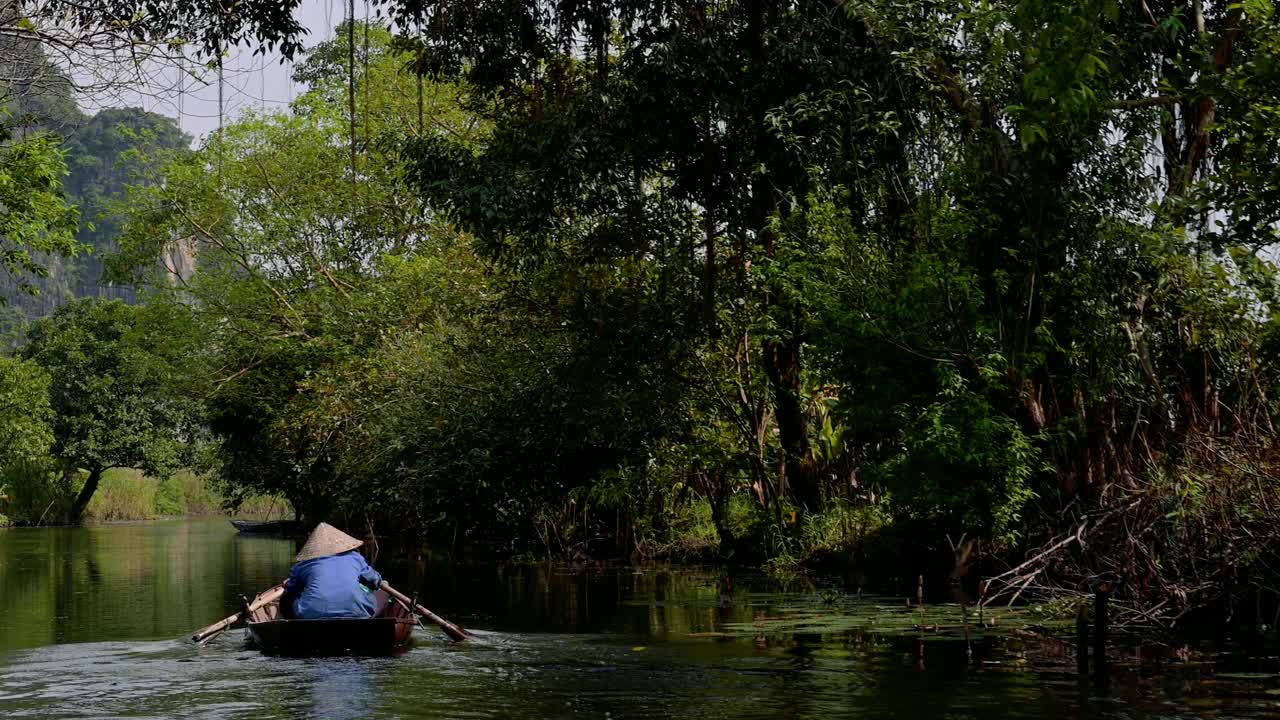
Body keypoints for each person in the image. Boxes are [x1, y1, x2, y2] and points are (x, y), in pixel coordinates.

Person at [281, 522, 384, 619]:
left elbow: (291, 589)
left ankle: (289, 626)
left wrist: (287, 585)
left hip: (310, 614)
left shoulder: (303, 564)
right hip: (357, 612)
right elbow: (374, 581)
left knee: (286, 599)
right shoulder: (356, 558)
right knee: (379, 596)